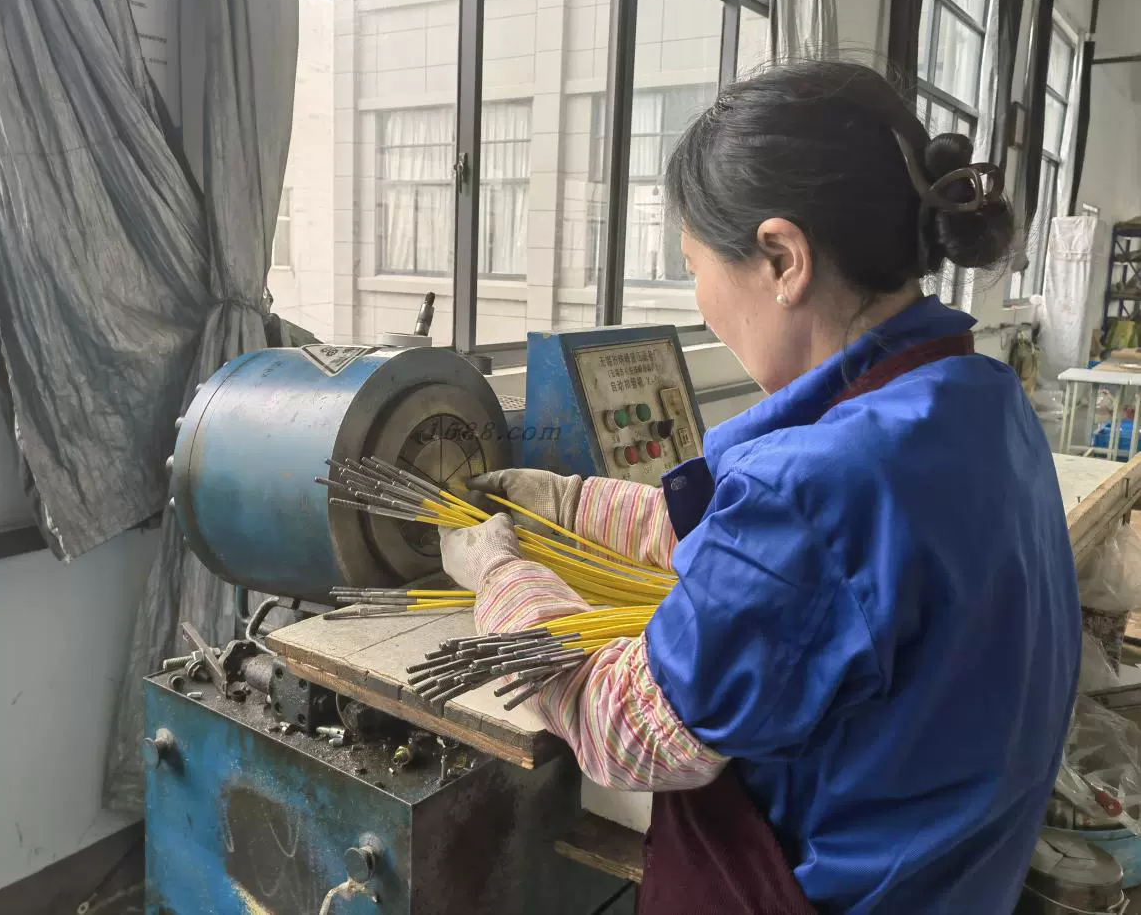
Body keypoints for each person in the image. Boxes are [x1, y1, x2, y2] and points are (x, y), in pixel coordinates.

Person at [439, 61, 1080, 914]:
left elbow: (625, 730)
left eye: (694, 265)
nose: (700, 301)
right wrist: (568, 505)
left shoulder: (818, 487)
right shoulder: (976, 399)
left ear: (782, 258)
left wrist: (500, 579)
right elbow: (781, 566)